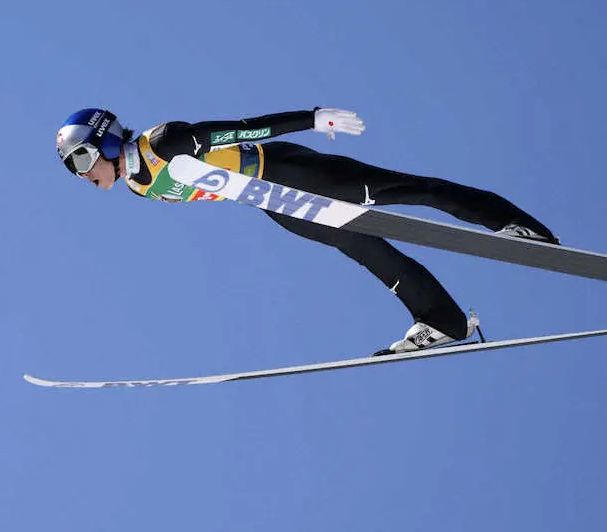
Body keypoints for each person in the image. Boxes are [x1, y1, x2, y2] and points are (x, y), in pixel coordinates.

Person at [56, 107, 559, 354]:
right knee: (367, 252)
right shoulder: (138, 186)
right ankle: (444, 320)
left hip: (291, 172)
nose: (81, 174)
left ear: (101, 141)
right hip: (276, 204)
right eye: (71, 169)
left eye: (79, 159)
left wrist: (312, 117)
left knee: (413, 191)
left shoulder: (159, 142)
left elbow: (240, 130)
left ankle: (516, 226)